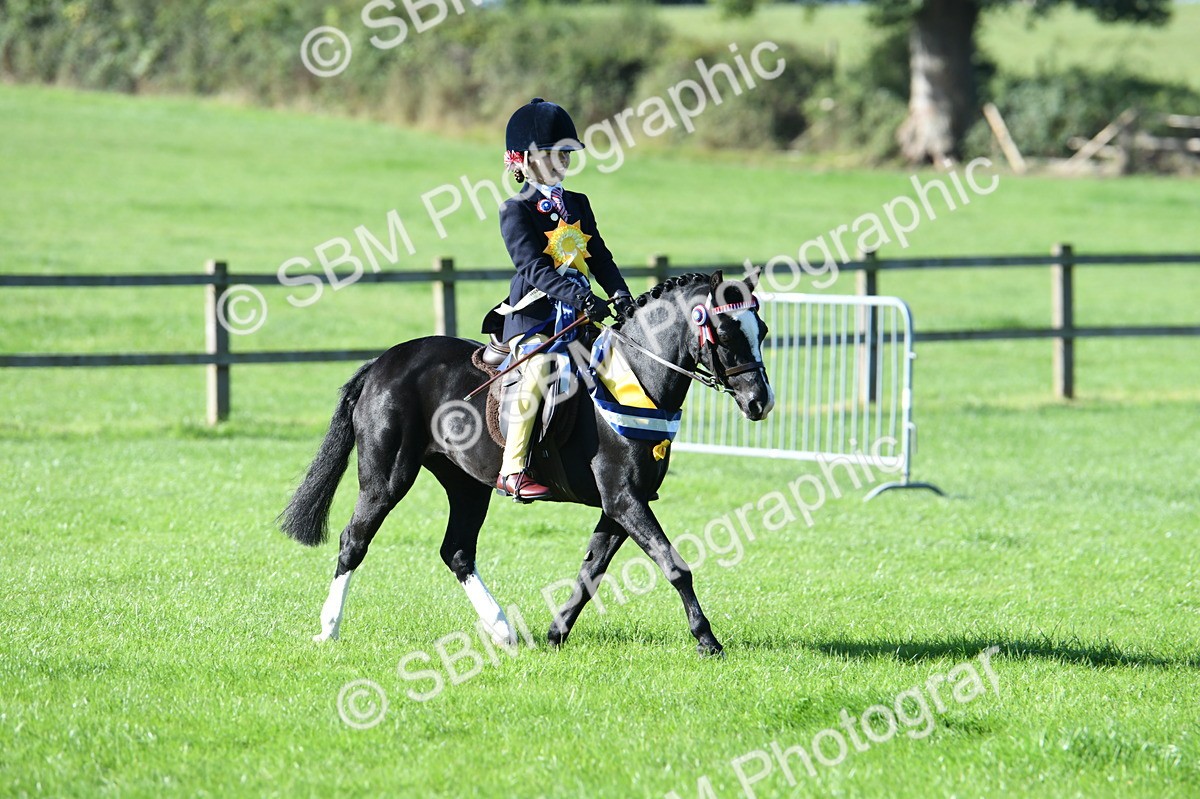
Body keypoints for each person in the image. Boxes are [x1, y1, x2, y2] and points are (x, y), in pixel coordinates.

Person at [485, 98, 635, 502]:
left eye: (567, 153)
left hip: (579, 317)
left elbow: (599, 256)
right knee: (540, 369)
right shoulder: (515, 209)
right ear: (530, 159)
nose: (565, 161)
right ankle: (513, 470)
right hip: (533, 319)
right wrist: (582, 296)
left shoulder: (578, 203)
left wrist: (620, 294)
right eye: (557, 153)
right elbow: (533, 269)